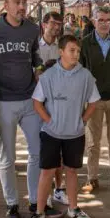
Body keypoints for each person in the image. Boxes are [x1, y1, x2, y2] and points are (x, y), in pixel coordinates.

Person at [0, 0, 53, 218]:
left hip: (29, 100)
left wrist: (39, 70)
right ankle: (11, 204)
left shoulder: (32, 29)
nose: (22, 7)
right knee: (7, 157)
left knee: (37, 153)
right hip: (3, 101)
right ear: (5, 4)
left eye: (24, 2)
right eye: (17, 2)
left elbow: (35, 56)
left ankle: (34, 202)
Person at [28, 35, 100, 218]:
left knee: (71, 170)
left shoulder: (85, 76)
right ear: (61, 52)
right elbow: (37, 102)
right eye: (72, 50)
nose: (76, 54)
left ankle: (73, 208)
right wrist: (50, 121)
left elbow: (94, 102)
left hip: (75, 133)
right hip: (51, 133)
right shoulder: (49, 76)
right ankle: (39, 212)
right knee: (47, 171)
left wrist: (82, 120)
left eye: (78, 51)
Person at [80, 6, 110, 193]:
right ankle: (92, 178)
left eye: (108, 20)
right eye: (100, 20)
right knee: (93, 141)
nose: (104, 23)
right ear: (94, 21)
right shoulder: (85, 43)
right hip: (93, 99)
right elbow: (81, 69)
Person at [38, 11, 70, 206]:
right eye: (53, 23)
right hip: (39, 103)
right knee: (43, 151)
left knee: (59, 150)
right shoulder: (34, 47)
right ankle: (45, 193)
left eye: (59, 24)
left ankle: (59, 189)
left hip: (60, 103)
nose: (56, 27)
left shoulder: (63, 46)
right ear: (43, 25)